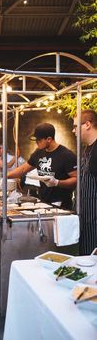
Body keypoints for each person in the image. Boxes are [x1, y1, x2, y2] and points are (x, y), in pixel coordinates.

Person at [8, 123, 77, 210]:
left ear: (49, 139)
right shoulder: (39, 152)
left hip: (61, 204)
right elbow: (23, 169)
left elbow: (76, 180)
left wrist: (57, 182)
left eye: (39, 140)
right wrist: (6, 176)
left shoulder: (66, 155)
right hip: (44, 202)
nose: (36, 143)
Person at [73, 109, 97, 255]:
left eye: (76, 126)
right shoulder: (87, 149)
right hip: (86, 215)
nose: (73, 130)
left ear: (87, 124)